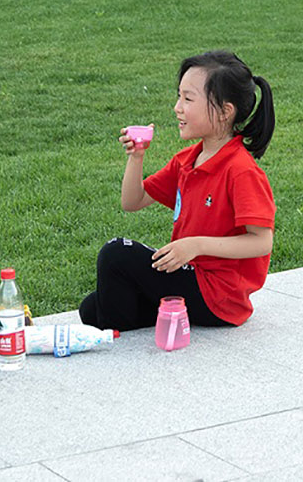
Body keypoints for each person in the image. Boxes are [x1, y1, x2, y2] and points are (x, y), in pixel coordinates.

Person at [78, 51, 275, 334]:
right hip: (189, 279)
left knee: (116, 253)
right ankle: (119, 331)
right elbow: (132, 201)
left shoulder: (240, 170)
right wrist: (136, 157)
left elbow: (261, 241)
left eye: (188, 99)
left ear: (224, 111)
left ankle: (115, 346)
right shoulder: (187, 160)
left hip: (219, 297)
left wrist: (195, 245)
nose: (177, 108)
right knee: (92, 308)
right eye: (179, 96)